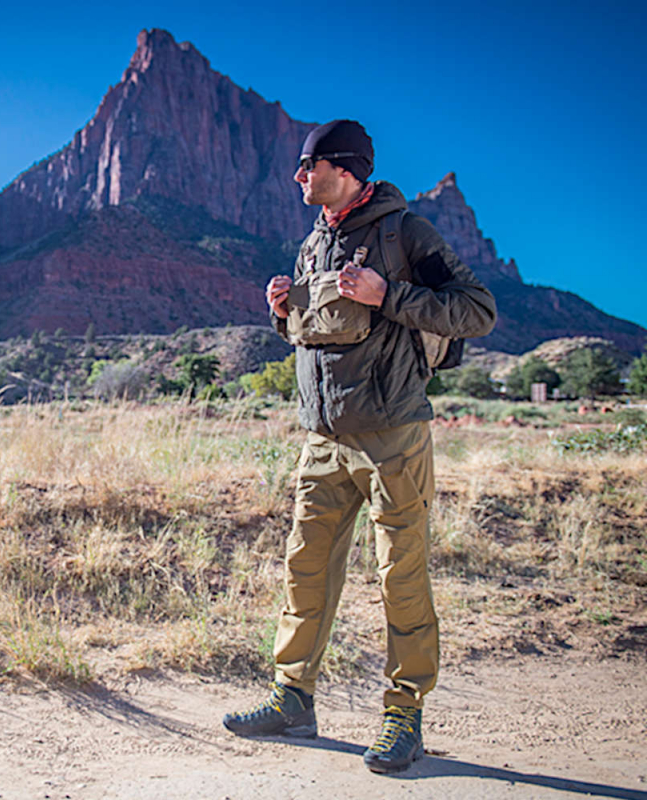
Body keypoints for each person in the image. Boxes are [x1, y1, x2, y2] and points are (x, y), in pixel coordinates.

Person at [222, 119, 497, 773]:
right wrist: (281, 310)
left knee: (400, 575)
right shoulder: (313, 243)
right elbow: (313, 336)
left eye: (306, 165)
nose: (297, 176)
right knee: (304, 571)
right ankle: (293, 699)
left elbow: (479, 310)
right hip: (323, 439)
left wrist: (390, 294)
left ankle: (404, 716)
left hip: (392, 434)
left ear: (343, 170)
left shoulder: (406, 234)